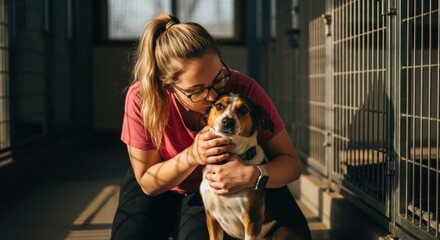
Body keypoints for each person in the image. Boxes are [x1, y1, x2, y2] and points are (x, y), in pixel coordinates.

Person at [110, 12, 311, 240]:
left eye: (218, 78)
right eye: (197, 90)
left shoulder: (243, 90)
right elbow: (148, 182)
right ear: (168, 84)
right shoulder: (142, 97)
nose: (213, 94)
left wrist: (253, 175)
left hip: (216, 189)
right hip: (162, 181)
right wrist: (192, 156)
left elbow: (291, 164)